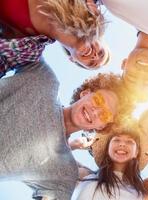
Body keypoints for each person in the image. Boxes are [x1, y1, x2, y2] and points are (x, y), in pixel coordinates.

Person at [0, 58, 130, 199]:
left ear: (101, 127)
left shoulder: (64, 172)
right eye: (98, 100)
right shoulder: (44, 80)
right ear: (85, 93)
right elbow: (17, 41)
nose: (96, 111)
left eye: (104, 115)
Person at [0, 0, 109, 69]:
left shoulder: (28, 51)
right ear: (99, 37)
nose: (95, 56)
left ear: (72, 59)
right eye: (101, 53)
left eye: (91, 63)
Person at [70, 120, 148, 200]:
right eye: (117, 140)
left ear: (136, 152)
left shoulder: (143, 193)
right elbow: (57, 167)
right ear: (107, 149)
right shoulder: (85, 175)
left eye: (129, 141)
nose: (122, 144)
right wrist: (72, 145)